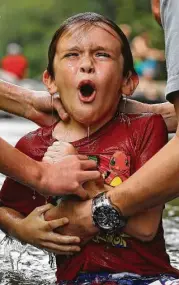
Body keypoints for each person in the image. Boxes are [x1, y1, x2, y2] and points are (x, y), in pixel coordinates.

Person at [0, 12, 178, 285]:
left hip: (148, 278)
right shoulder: (34, 148)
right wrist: (20, 228)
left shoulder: (145, 128)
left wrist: (89, 181)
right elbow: (4, 208)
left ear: (128, 82)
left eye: (102, 55)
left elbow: (144, 227)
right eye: (72, 55)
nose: (86, 65)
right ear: (50, 80)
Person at [0, 79, 100, 198]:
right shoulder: (31, 146)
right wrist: (42, 175)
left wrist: (29, 102)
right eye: (71, 58)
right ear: (50, 80)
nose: (86, 65)